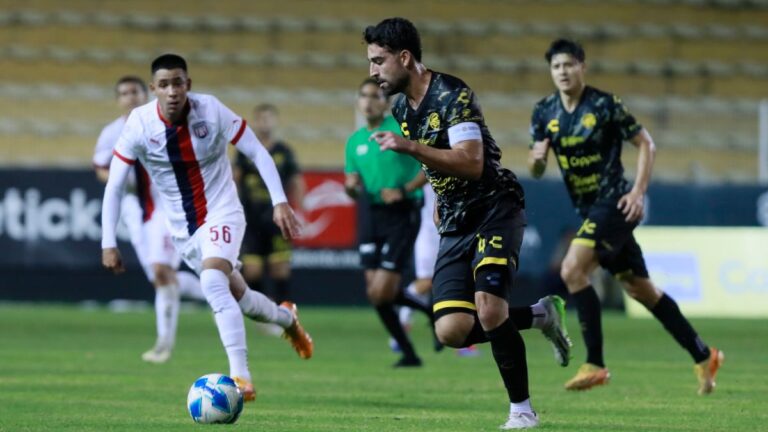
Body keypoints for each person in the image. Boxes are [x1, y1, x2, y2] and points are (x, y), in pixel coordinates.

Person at [364, 18, 570, 429]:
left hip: (495, 207)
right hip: (456, 218)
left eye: (378, 61)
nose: (373, 71)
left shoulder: (451, 94)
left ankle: (523, 412)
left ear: (404, 58)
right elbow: (439, 160)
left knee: (490, 312)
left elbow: (473, 162)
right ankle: (540, 315)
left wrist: (410, 146)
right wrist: (441, 194)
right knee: (452, 331)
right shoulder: (403, 108)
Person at [100, 54, 314, 402]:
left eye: (178, 83)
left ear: (188, 84)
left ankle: (241, 378)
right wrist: (108, 241)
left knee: (212, 281)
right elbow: (114, 185)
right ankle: (287, 318)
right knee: (241, 298)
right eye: (164, 84)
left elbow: (258, 152)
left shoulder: (211, 110)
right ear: (153, 89)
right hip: (183, 230)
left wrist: (279, 201)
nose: (172, 91)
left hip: (223, 212)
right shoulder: (139, 125)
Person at [528, 38, 723, 395]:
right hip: (588, 209)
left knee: (572, 269)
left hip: (616, 203)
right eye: (556, 66)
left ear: (582, 66)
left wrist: (638, 191)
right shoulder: (544, 113)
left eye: (569, 64)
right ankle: (704, 354)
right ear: (550, 72)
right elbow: (536, 169)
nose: (563, 72)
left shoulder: (604, 105)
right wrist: (538, 160)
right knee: (641, 290)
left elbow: (646, 143)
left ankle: (596, 364)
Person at [93, 75, 205, 364]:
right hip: (137, 212)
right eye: (124, 93)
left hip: (168, 209)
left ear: (146, 94)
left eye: (135, 91)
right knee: (160, 277)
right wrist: (119, 177)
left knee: (161, 272)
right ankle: (222, 289)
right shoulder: (111, 133)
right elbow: (101, 170)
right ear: (117, 99)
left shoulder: (166, 124)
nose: (130, 97)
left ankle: (163, 345)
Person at [345, 77, 436, 367]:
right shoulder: (355, 141)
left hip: (403, 212)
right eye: (364, 96)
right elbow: (353, 180)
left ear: (385, 102)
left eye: (375, 96)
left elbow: (429, 165)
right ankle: (420, 331)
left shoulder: (399, 130)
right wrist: (351, 186)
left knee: (381, 291)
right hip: (372, 213)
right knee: (377, 294)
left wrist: (404, 189)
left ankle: (410, 347)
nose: (369, 101)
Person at [233, 103, 304, 303]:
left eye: (268, 117)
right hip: (251, 218)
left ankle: (285, 312)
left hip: (277, 218)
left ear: (275, 121)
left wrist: (300, 211)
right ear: (255, 122)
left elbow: (296, 181)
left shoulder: (284, 151)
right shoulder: (245, 150)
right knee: (253, 271)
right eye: (261, 118)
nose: (265, 122)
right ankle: (264, 310)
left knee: (280, 269)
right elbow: (235, 179)